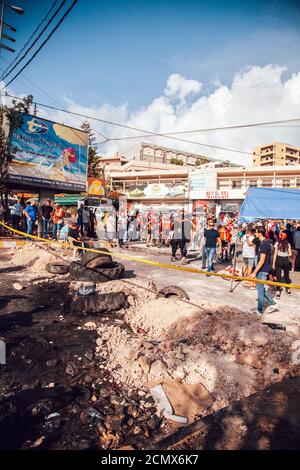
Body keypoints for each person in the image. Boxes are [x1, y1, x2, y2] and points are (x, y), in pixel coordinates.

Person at [249, 227, 278, 315]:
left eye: (256, 232)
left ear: (260, 233)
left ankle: (259, 310)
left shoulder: (264, 244)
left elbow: (262, 260)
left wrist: (254, 272)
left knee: (260, 291)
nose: (255, 234)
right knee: (261, 289)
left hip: (262, 270)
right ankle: (273, 304)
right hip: (263, 269)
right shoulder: (265, 243)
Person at [273, 232, 292, 298]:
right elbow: (290, 254)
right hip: (285, 260)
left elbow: (275, 254)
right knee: (286, 275)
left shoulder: (277, 243)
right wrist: (285, 253)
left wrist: (273, 263)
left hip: (279, 259)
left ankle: (278, 291)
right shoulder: (288, 244)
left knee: (278, 275)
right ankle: (288, 289)